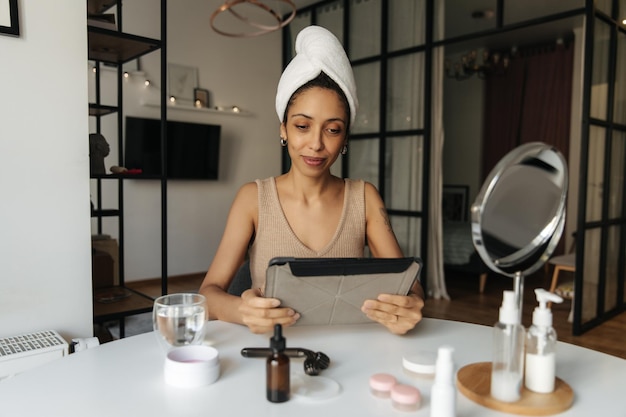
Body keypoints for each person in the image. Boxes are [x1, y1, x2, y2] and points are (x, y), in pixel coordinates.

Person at [199, 25, 424, 335]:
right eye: (303, 126)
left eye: (332, 129)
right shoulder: (253, 198)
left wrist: (408, 307)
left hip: (351, 350)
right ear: (283, 129)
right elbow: (207, 295)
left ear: (345, 136)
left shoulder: (364, 198)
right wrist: (241, 310)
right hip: (273, 351)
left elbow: (411, 288)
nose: (316, 144)